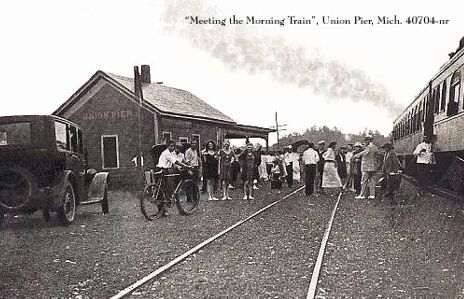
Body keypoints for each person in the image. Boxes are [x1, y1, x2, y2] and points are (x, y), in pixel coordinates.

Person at [156, 140, 193, 216]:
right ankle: (163, 210)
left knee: (167, 189)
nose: (173, 148)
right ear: (168, 146)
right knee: (164, 190)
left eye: (174, 146)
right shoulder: (166, 153)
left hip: (166, 170)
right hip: (163, 170)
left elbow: (176, 161)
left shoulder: (171, 153)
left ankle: (164, 209)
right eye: (171, 146)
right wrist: (185, 166)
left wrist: (182, 166)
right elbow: (175, 161)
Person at [354, 135, 379, 199]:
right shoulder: (375, 147)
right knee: (372, 181)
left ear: (368, 140)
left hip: (366, 167)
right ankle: (372, 195)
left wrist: (357, 155)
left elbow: (365, 152)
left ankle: (362, 195)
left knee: (363, 181)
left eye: (366, 140)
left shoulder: (368, 147)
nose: (365, 142)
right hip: (373, 167)